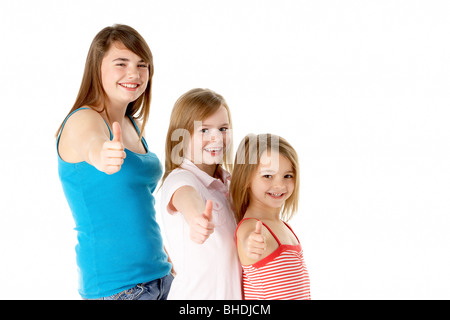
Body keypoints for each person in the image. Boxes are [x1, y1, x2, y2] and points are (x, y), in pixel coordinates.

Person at [56, 24, 173, 300]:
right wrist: (101, 154)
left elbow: (137, 208)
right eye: (121, 63)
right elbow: (93, 144)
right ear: (97, 67)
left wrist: (166, 260)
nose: (134, 73)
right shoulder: (82, 119)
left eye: (142, 65)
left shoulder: (131, 124)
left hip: (160, 278)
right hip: (119, 290)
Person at [159, 88, 242, 299]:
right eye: (204, 130)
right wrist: (197, 219)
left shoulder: (230, 183)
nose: (216, 138)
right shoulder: (181, 178)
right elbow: (187, 198)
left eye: (223, 128)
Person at [230, 133, 311, 300]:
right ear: (246, 179)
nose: (280, 185)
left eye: (288, 176)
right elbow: (247, 238)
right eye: (268, 176)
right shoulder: (253, 227)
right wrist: (250, 243)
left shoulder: (283, 226)